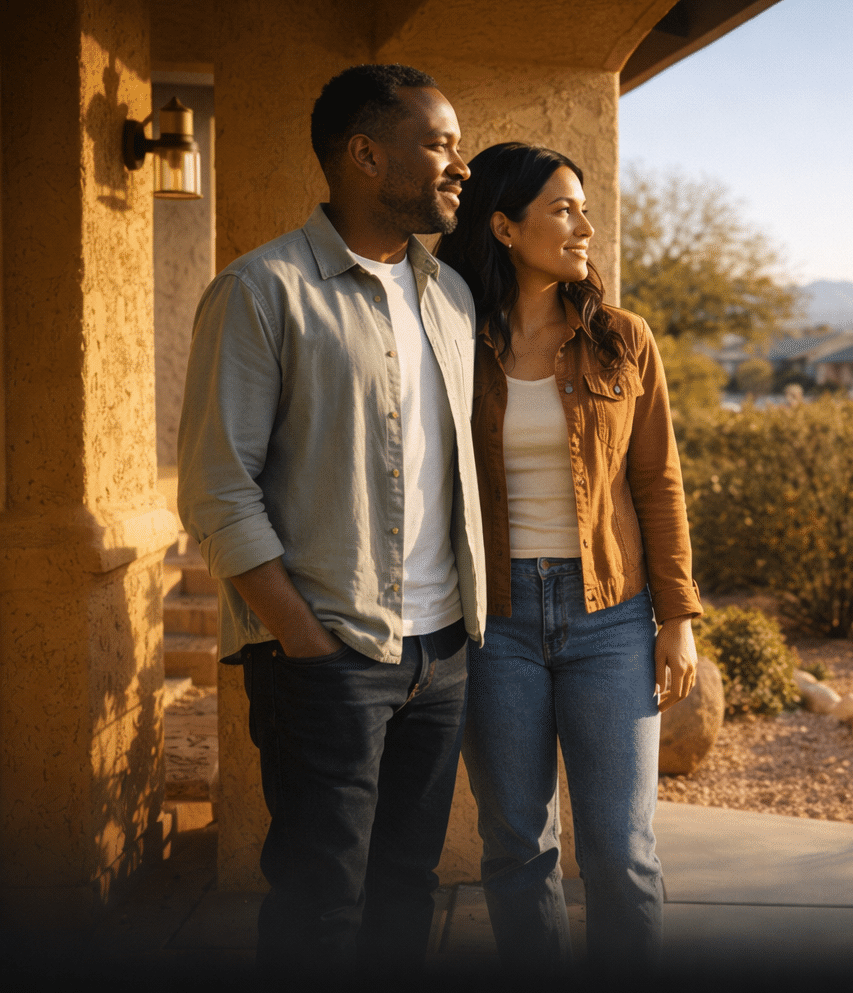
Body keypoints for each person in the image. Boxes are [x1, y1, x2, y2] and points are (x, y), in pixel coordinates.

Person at [177, 64, 485, 972]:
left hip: (442, 654)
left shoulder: (451, 296)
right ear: (365, 154)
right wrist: (305, 642)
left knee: (406, 890)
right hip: (330, 659)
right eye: (437, 144)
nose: (457, 164)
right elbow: (217, 489)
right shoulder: (262, 290)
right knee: (320, 909)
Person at [435, 142, 701, 970]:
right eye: (563, 209)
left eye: (584, 208)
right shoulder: (450, 334)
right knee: (517, 846)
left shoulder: (623, 340)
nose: (586, 226)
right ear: (505, 226)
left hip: (611, 619)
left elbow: (658, 482)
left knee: (621, 851)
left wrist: (679, 617)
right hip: (495, 620)